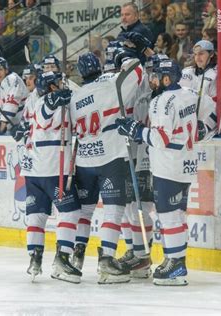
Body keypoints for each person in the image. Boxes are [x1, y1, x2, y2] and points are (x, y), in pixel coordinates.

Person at [115, 58, 198, 286]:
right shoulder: (190, 94)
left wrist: (135, 129)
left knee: (169, 215)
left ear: (167, 78)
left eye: (156, 76)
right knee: (178, 214)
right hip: (187, 163)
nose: (152, 80)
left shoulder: (162, 101)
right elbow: (205, 124)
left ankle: (176, 265)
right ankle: (176, 260)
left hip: (168, 165)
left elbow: (159, 139)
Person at [68, 52, 143, 284]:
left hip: (84, 160)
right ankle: (107, 261)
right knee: (113, 210)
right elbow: (139, 72)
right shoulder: (112, 84)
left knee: (85, 211)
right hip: (111, 156)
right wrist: (127, 57)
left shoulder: (74, 96)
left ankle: (76, 258)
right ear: (100, 67)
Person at [12, 69, 83, 283]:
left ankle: (35, 258)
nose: (63, 86)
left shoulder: (48, 102)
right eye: (58, 84)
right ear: (51, 87)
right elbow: (44, 116)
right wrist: (54, 98)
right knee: (71, 211)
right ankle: (62, 259)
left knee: (38, 214)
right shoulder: (45, 102)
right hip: (51, 168)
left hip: (34, 168)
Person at [179, 40, 221, 137]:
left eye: (201, 54)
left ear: (212, 54)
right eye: (195, 54)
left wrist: (205, 128)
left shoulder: (219, 74)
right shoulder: (187, 72)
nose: (197, 58)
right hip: (195, 124)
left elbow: (217, 106)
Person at [0, 56, 28, 140]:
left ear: (6, 70)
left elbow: (11, 103)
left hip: (24, 124)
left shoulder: (12, 79)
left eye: (0, 69)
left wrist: (2, 124)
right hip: (12, 127)